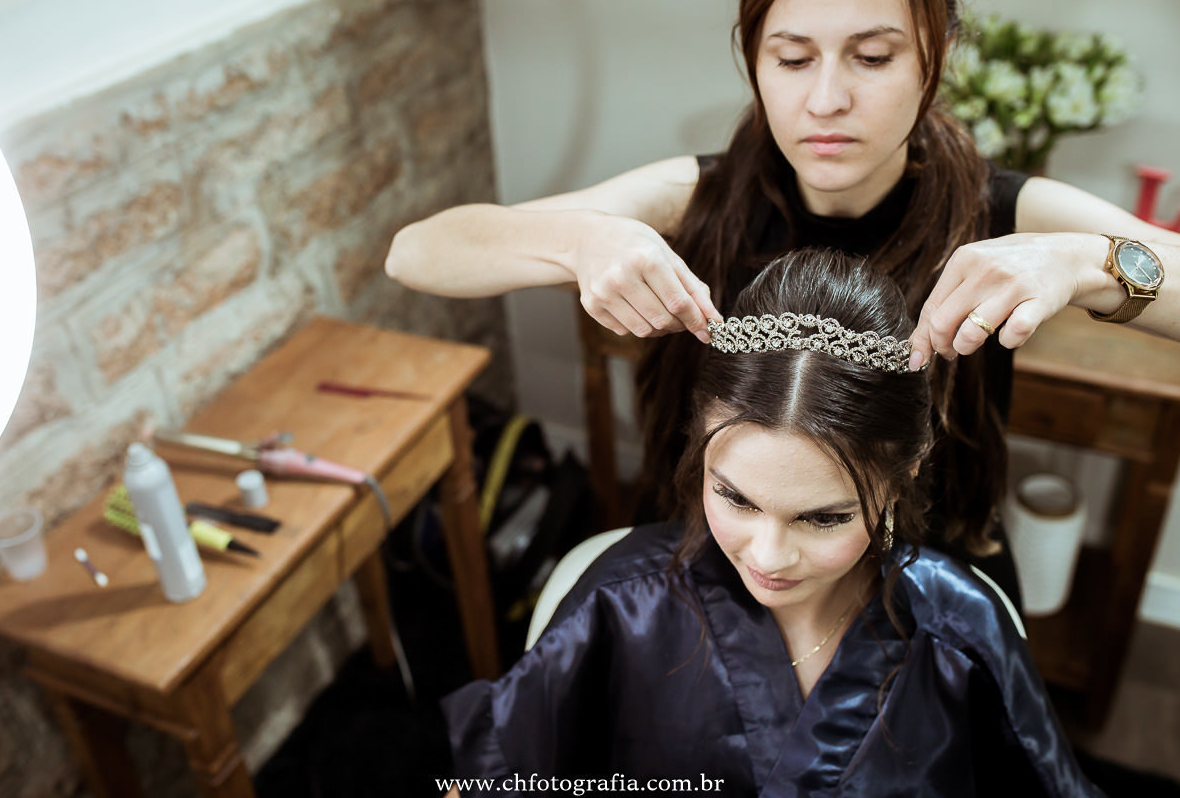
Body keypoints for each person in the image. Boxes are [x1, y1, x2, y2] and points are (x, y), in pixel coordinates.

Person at [386, 0, 1180, 605]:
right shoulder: (691, 198)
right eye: (792, 58)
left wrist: (1084, 260)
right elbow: (418, 251)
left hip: (925, 567)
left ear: (933, 59)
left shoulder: (1005, 210)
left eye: (872, 57)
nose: (826, 99)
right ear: (754, 62)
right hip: (727, 551)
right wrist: (578, 241)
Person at [439, 249, 1103, 797]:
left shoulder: (961, 629)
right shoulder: (619, 604)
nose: (768, 555)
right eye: (735, 498)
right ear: (698, 444)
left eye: (822, 518)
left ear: (904, 473)